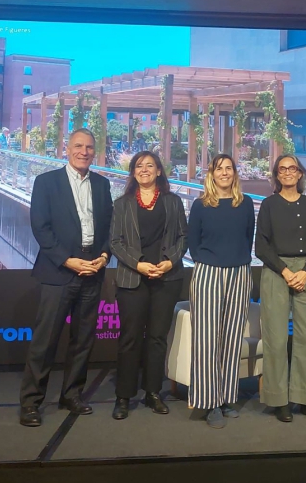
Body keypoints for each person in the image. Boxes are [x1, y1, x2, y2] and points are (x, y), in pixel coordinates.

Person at [19, 128, 113, 427]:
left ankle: (71, 395)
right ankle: (31, 402)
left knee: (83, 340)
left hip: (93, 270)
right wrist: (67, 260)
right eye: (78, 146)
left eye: (89, 147)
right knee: (45, 341)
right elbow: (41, 228)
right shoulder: (46, 182)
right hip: (59, 271)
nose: (84, 152)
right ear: (67, 148)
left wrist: (104, 256)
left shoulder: (102, 185)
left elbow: (110, 227)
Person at [109, 151, 188, 420]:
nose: (144, 169)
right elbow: (115, 242)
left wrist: (169, 262)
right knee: (130, 338)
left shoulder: (173, 202)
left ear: (159, 171)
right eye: (139, 166)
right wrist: (139, 264)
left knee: (157, 338)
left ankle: (153, 392)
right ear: (133, 172)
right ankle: (123, 396)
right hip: (133, 278)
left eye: (150, 165)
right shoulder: (122, 204)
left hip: (167, 278)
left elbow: (183, 237)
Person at [255, 155, 306, 423]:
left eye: (292, 168)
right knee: (275, 338)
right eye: (282, 169)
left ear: (299, 174)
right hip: (276, 272)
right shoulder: (268, 205)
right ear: (277, 175)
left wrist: (305, 272)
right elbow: (261, 246)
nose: (287, 172)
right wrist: (285, 271)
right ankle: (278, 400)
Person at [187, 154, 256, 429]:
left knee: (232, 337)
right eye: (219, 169)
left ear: (234, 173)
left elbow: (248, 237)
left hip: (239, 273)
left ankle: (226, 397)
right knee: (206, 340)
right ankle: (209, 402)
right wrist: (211, 262)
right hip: (208, 273)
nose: (224, 173)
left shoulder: (245, 203)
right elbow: (193, 242)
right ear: (211, 174)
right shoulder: (201, 205)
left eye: (229, 168)